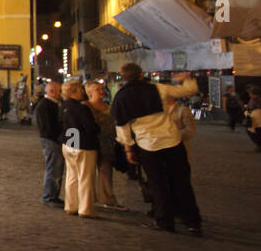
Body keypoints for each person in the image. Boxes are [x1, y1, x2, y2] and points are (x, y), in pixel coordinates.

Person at [112, 63, 202, 235]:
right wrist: (186, 79)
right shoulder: (157, 89)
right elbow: (187, 91)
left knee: (157, 184)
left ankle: (165, 221)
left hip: (148, 144)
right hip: (171, 140)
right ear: (141, 75)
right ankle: (192, 221)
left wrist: (129, 148)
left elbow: (122, 127)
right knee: (181, 181)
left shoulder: (121, 97)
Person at [59, 79, 99, 218]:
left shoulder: (64, 106)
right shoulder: (81, 108)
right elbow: (90, 127)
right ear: (74, 91)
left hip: (69, 142)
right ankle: (85, 208)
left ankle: (71, 205)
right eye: (81, 89)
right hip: (83, 144)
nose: (83, 92)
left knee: (72, 176)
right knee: (85, 177)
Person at [84, 81, 125, 210]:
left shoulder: (109, 107)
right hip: (89, 144)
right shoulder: (84, 107)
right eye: (98, 89)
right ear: (90, 92)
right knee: (87, 174)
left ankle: (108, 199)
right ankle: (88, 199)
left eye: (102, 89)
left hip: (107, 145)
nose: (102, 91)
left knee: (106, 172)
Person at [35, 79, 65, 206]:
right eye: (60, 91)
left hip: (53, 140)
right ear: (52, 91)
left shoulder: (54, 104)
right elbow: (48, 126)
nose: (62, 93)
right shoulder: (46, 105)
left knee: (56, 168)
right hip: (51, 140)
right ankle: (49, 196)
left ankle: (53, 194)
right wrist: (59, 138)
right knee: (54, 168)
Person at [164, 92, 198, 165]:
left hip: (179, 150)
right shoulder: (157, 112)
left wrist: (170, 135)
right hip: (160, 152)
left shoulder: (183, 111)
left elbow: (190, 131)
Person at [246, 85, 261, 152]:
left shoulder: (253, 100)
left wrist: (247, 108)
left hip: (256, 118)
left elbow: (250, 108)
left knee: (250, 131)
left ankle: (260, 145)